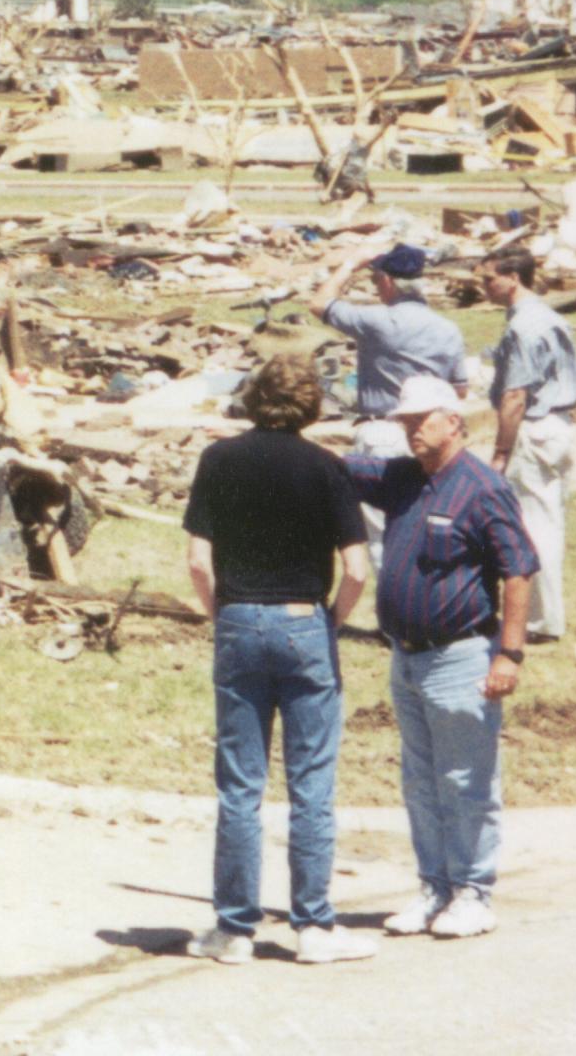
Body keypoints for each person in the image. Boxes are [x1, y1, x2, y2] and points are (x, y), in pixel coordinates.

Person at [181, 352, 376, 967]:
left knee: (241, 784)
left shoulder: (218, 459)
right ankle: (313, 927)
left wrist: (223, 614)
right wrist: (331, 620)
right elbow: (357, 569)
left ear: (253, 398)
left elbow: (196, 561)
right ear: (311, 405)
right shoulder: (326, 467)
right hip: (303, 620)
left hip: (240, 618)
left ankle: (234, 930)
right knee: (311, 782)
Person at [347, 373, 539, 941]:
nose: (410, 433)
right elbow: (337, 469)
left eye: (418, 422)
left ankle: (474, 892)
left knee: (465, 779)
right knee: (421, 781)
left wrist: (510, 654)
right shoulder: (405, 479)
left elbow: (518, 570)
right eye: (404, 424)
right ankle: (434, 887)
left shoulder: (482, 488)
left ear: (452, 422)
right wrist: (279, 436)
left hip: (460, 657)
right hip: (406, 658)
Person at [480, 251, 576, 642]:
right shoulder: (548, 315)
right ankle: (544, 617)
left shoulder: (524, 327)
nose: (484, 288)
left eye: (489, 280)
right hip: (557, 425)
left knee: (532, 526)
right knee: (549, 520)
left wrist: (501, 451)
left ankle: (539, 622)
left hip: (535, 427)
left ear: (513, 278)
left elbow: (515, 398)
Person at [313, 237, 469, 468]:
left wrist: (350, 264)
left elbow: (319, 303)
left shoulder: (375, 321)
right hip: (432, 432)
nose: (376, 288)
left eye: (376, 281)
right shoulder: (449, 329)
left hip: (384, 434)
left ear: (387, 281)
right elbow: (460, 390)